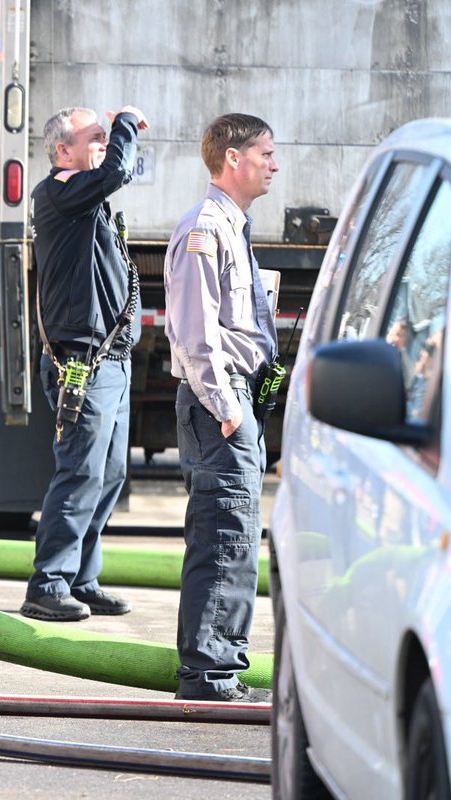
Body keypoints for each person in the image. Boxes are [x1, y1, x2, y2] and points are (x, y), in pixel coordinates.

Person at [164, 113, 280, 702]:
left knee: (236, 535)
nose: (274, 164)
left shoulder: (234, 228)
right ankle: (208, 674)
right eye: (265, 152)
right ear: (232, 158)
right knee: (223, 536)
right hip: (220, 406)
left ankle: (221, 666)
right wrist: (229, 411)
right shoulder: (204, 230)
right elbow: (194, 332)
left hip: (234, 404)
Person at [20, 105, 147, 623]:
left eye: (104, 137)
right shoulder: (57, 193)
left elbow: (116, 171)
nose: (103, 143)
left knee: (110, 474)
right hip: (82, 362)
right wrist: (126, 122)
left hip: (111, 358)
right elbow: (117, 169)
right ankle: (47, 584)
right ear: (62, 151)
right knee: (80, 474)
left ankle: (80, 578)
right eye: (93, 137)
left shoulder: (85, 198)